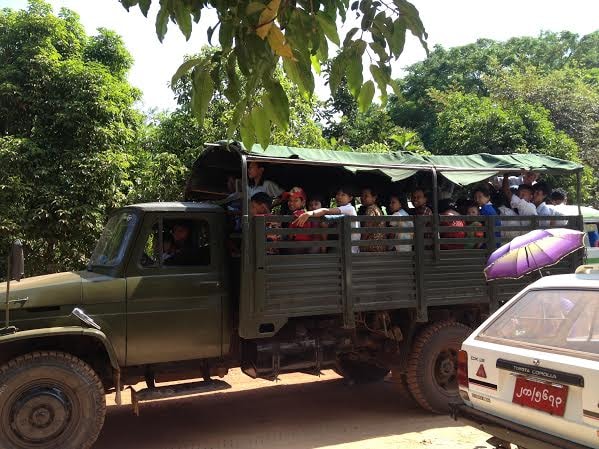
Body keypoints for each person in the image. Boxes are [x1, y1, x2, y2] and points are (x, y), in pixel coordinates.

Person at [293, 185, 360, 253]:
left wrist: (309, 213)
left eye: (343, 195)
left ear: (350, 198)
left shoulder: (349, 209)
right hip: (342, 247)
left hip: (348, 250)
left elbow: (325, 211)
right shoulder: (341, 210)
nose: (339, 197)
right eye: (338, 194)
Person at [283, 186, 314, 254]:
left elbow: (291, 236)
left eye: (295, 200)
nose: (291, 203)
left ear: (303, 202)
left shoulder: (298, 214)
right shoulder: (304, 213)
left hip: (297, 248)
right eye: (290, 200)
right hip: (302, 247)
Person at [359, 187, 386, 252]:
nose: (362, 198)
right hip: (380, 245)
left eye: (366, 196)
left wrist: (360, 243)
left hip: (372, 246)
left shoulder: (371, 209)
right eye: (361, 195)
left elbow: (367, 229)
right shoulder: (376, 208)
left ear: (374, 198)